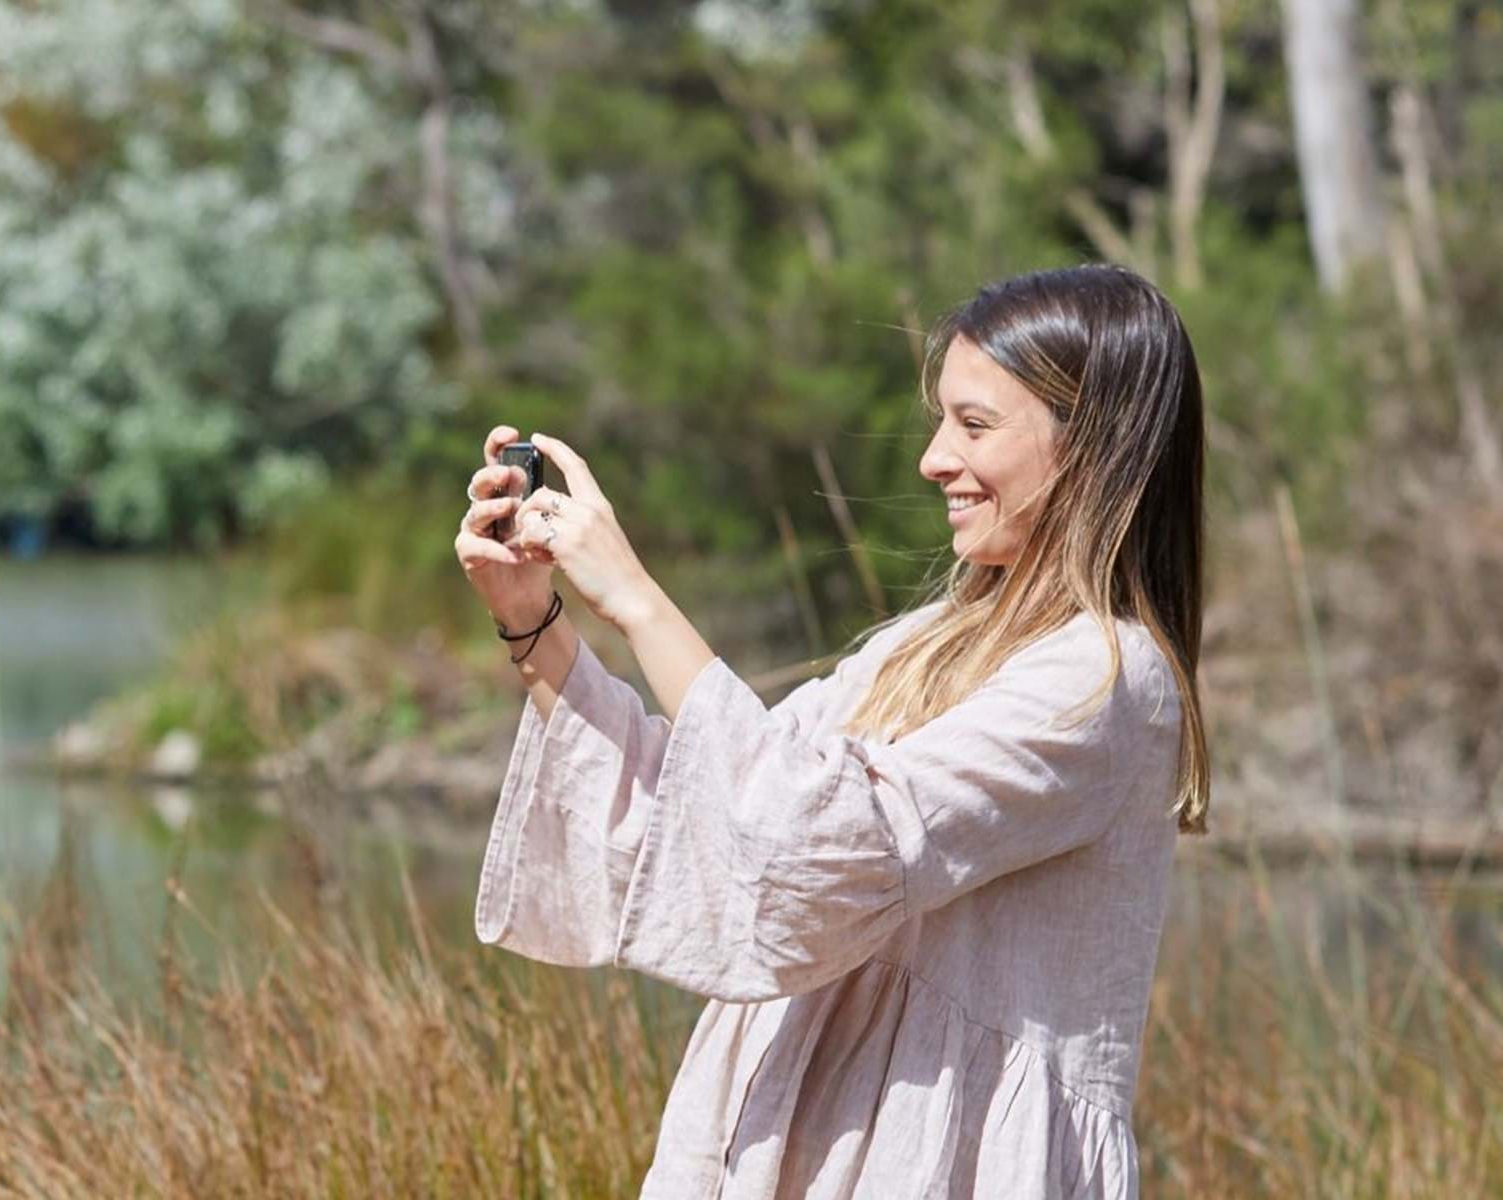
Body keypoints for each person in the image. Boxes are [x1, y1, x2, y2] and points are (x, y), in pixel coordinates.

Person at [453, 264, 1211, 1198]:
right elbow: (721, 802)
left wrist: (639, 601)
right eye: (941, 421)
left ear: (1097, 444)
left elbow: (812, 839)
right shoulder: (924, 644)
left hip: (940, 1161)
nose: (934, 459)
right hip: (816, 1145)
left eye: (973, 425)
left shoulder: (1106, 679)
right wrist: (537, 625)